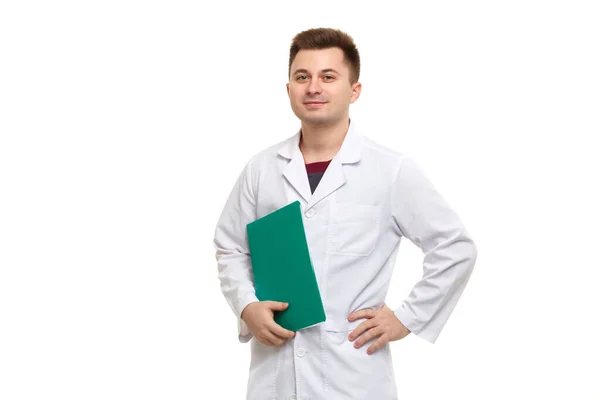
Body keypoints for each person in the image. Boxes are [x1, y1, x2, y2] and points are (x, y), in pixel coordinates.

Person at [213, 27, 478, 400]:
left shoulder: (391, 170)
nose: (313, 87)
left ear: (354, 90)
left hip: (353, 376)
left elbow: (456, 246)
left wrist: (406, 318)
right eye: (302, 77)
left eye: (328, 77)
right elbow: (230, 246)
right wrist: (246, 306)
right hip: (275, 378)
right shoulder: (261, 170)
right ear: (288, 88)